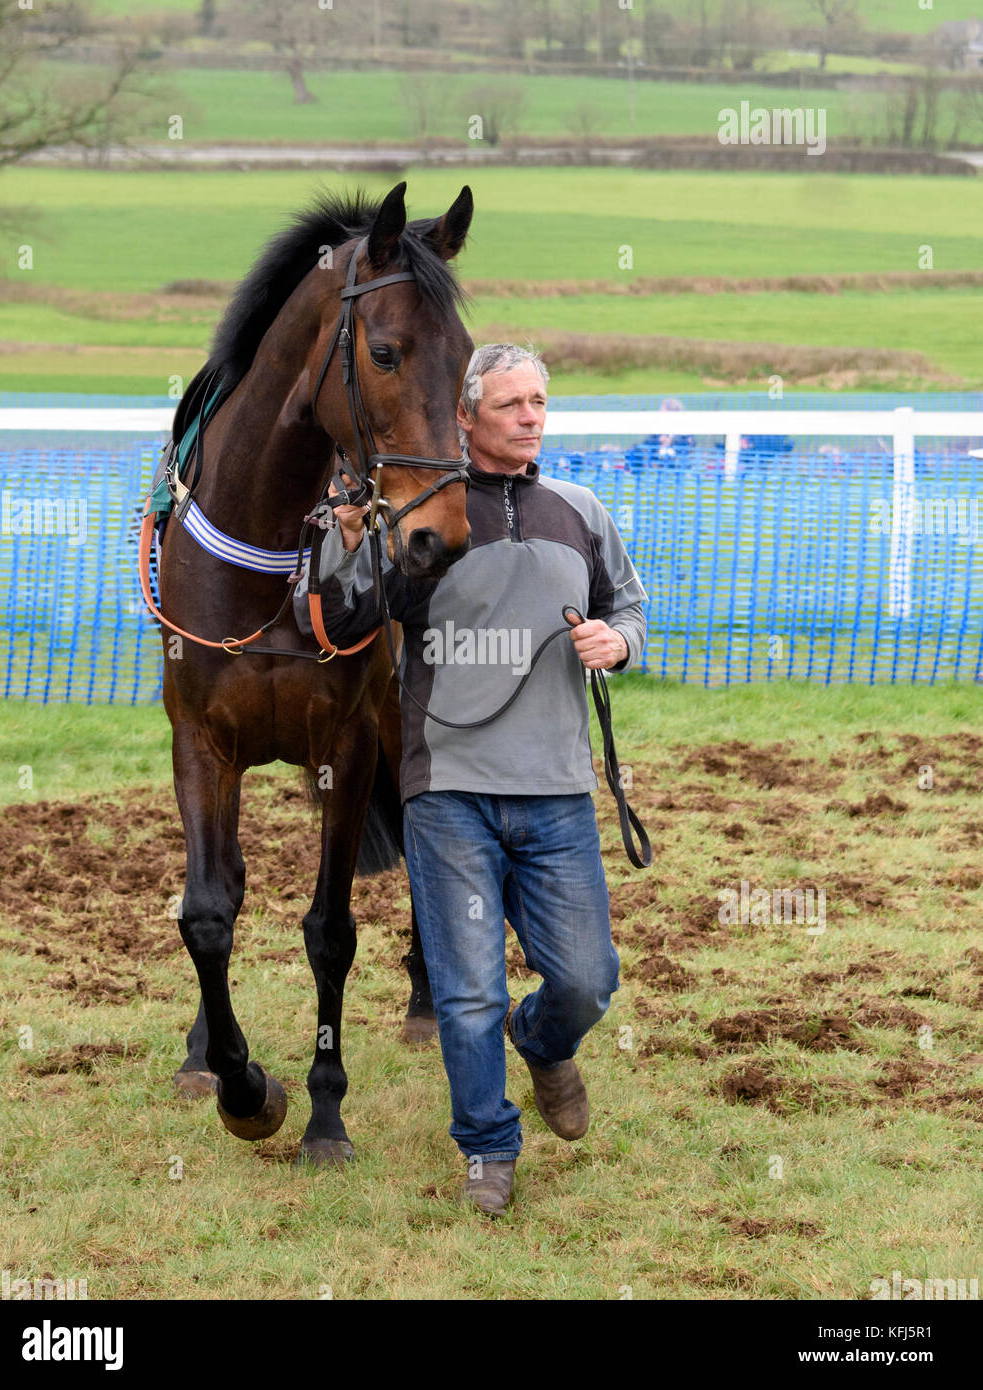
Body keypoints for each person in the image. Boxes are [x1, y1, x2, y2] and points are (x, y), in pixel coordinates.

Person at [293, 343, 648, 1216]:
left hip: (559, 792)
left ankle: (540, 1040)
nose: (531, 417)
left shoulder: (580, 509)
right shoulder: (426, 521)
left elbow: (627, 608)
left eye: (539, 402)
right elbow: (340, 624)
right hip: (448, 792)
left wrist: (621, 643)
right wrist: (344, 548)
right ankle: (487, 1147)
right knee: (466, 989)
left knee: (586, 980)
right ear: (465, 417)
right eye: (511, 405)